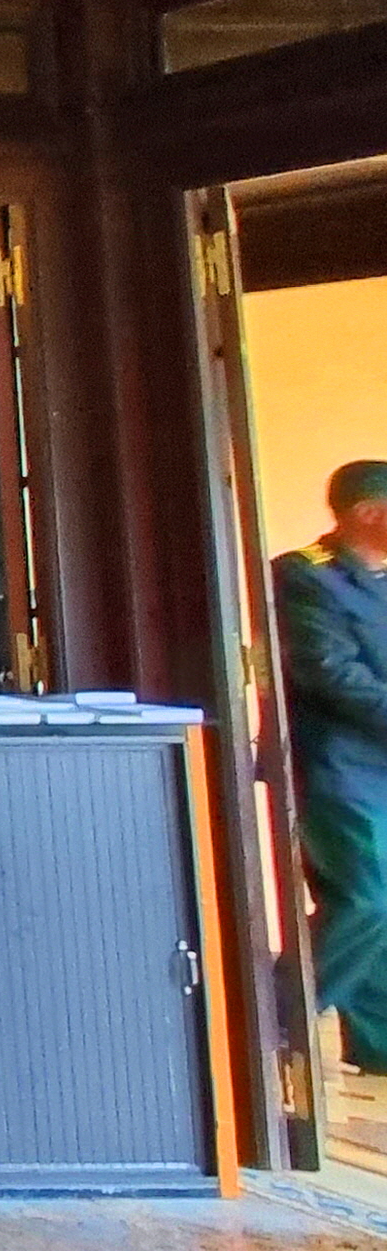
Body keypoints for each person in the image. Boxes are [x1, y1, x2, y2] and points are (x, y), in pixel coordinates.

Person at [274, 459, 387, 1073]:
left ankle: (379, 1045)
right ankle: (271, 1022)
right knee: (367, 901)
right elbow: (330, 671)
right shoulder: (306, 575)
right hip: (341, 767)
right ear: (367, 513)